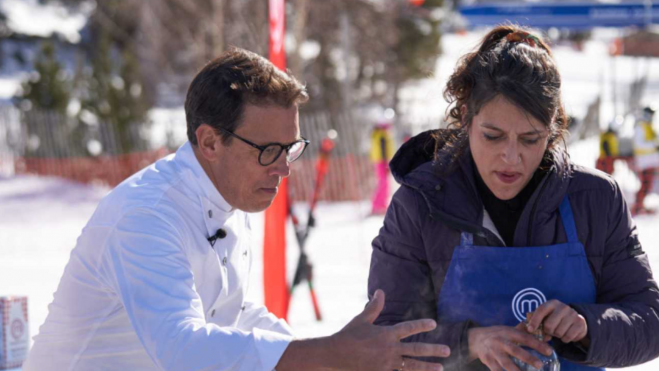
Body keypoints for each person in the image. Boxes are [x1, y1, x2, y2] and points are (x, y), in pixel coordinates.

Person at [23, 48, 450, 371]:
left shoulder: (230, 193)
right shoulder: (147, 215)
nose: (284, 168)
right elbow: (183, 348)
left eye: (290, 149)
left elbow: (235, 313)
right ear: (209, 142)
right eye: (268, 150)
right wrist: (328, 355)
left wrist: (330, 349)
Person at [368, 25, 659, 371]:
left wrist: (587, 326)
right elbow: (383, 339)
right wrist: (470, 343)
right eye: (493, 136)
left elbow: (649, 320)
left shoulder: (596, 201)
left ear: (552, 129)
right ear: (466, 118)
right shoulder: (421, 204)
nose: (511, 157)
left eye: (530, 139)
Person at [632, 105, 659, 215]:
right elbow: (639, 144)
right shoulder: (640, 126)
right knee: (645, 184)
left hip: (650, 161)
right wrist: (654, 145)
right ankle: (638, 206)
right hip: (644, 161)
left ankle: (640, 205)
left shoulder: (648, 126)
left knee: (648, 184)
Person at [370, 120, 395, 215]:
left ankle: (379, 205)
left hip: (379, 161)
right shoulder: (382, 135)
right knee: (384, 184)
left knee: (383, 183)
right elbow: (383, 150)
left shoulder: (377, 134)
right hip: (382, 162)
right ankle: (378, 206)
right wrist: (386, 164)